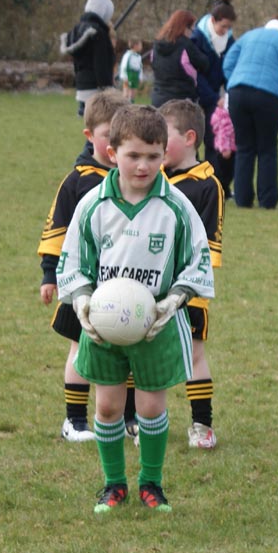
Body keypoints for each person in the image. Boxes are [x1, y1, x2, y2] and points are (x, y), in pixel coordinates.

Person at [56, 104, 215, 513]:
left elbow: (198, 259)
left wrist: (176, 297)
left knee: (150, 407)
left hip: (155, 327)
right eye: (133, 155)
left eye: (153, 156)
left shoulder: (176, 207)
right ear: (111, 152)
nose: (143, 166)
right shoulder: (93, 204)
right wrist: (83, 299)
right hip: (105, 327)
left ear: (165, 154)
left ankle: (152, 483)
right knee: (107, 406)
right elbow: (72, 260)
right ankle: (113, 485)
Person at [37, 89, 138, 443]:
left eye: (120, 137)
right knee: (81, 347)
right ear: (89, 136)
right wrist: (50, 274)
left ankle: (129, 419)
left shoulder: (135, 180)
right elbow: (57, 227)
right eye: (106, 136)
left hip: (125, 282)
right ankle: (75, 421)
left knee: (128, 347)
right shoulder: (78, 180)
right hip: (83, 281)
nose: (113, 144)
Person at [159, 99, 224, 449]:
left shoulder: (206, 185)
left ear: (189, 137)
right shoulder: (155, 178)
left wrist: (186, 282)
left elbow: (209, 244)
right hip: (151, 285)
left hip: (190, 288)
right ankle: (142, 422)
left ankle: (202, 425)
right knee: (146, 353)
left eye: (162, 136)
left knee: (194, 355)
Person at [223, 15, 278, 209]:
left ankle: (242, 198)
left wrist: (235, 81)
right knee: (267, 149)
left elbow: (227, 63)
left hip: (238, 92)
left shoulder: (249, 36)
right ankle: (267, 200)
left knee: (244, 147)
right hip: (269, 96)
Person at [191, 0, 237, 197]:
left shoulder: (231, 41)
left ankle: (219, 186)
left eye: (228, 27)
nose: (224, 31)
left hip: (218, 98)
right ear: (213, 20)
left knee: (218, 141)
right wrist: (211, 97)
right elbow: (195, 73)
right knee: (201, 141)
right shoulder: (198, 38)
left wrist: (227, 94)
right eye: (222, 26)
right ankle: (206, 185)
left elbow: (230, 69)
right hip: (199, 95)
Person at [60, 0, 115, 116]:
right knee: (100, 127)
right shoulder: (98, 33)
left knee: (90, 125)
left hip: (82, 86)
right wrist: (107, 90)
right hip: (96, 89)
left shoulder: (77, 30)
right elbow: (101, 63)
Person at [151, 9, 209, 108]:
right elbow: (205, 64)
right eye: (192, 29)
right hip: (181, 101)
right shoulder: (186, 45)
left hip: (158, 99)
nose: (192, 33)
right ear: (185, 28)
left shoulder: (156, 45)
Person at [210, 93, 236, 165]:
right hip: (228, 150)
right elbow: (223, 133)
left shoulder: (220, 116)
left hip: (222, 148)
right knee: (226, 173)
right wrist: (225, 149)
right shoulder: (226, 118)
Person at [119, 38, 144, 102]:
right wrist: (125, 77)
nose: (141, 46)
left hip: (135, 76)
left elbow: (140, 68)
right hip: (128, 75)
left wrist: (140, 78)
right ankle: (124, 107)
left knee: (133, 94)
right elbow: (123, 67)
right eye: (140, 44)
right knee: (126, 93)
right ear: (135, 45)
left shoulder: (138, 57)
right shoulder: (127, 55)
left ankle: (131, 106)